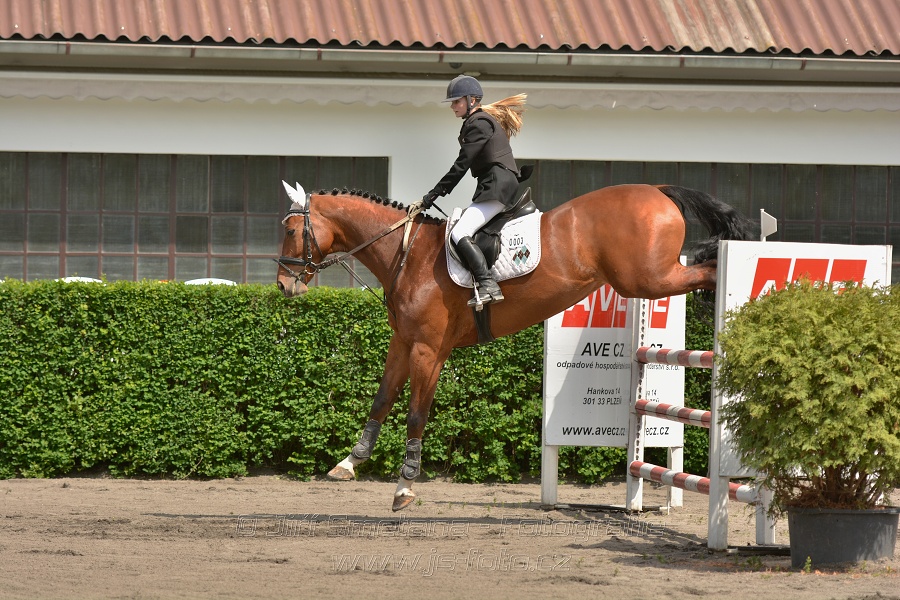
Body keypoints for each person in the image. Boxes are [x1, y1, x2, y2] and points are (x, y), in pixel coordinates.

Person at [422, 74, 528, 307]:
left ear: (471, 100)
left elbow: (462, 164)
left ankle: (487, 283)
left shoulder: (478, 123)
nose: (452, 106)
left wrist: (435, 192)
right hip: (496, 185)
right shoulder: (479, 121)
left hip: (497, 187)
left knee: (459, 233)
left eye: (456, 101)